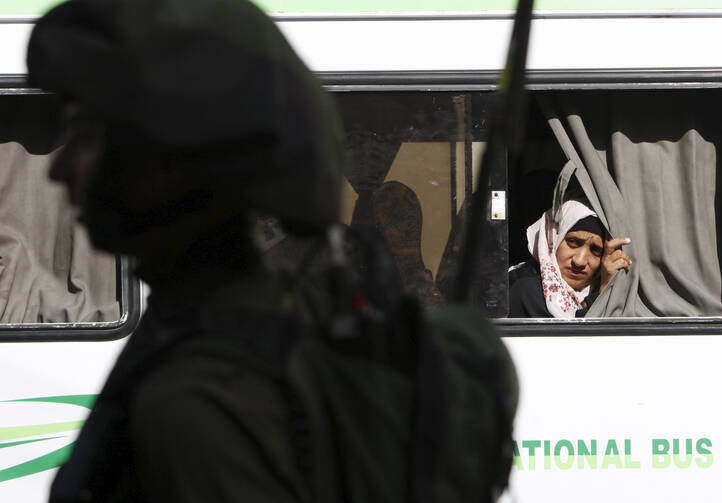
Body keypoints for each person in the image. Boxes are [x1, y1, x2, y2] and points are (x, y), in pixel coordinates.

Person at [28, 1, 517, 503]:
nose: (58, 166)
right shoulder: (307, 323)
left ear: (170, 161)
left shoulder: (200, 404)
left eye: (87, 135)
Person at [508, 199, 631, 318]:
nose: (579, 261)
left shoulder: (607, 287)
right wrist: (601, 297)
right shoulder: (524, 289)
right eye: (572, 242)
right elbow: (576, 337)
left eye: (596, 250)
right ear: (552, 240)